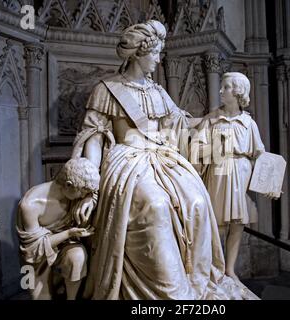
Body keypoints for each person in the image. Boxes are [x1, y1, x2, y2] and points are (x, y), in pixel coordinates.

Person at [72, 20, 258, 300]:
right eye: (155, 53)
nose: (158, 59)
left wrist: (219, 116)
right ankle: (167, 291)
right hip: (128, 160)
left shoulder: (158, 91)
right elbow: (94, 137)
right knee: (155, 206)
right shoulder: (107, 89)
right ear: (138, 54)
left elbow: (182, 125)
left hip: (164, 157)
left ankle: (195, 280)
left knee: (197, 201)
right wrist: (91, 187)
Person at [193, 72, 276, 284]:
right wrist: (212, 150)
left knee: (237, 223)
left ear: (238, 92)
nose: (221, 91)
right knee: (216, 224)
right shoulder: (211, 119)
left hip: (241, 174)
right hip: (219, 174)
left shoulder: (249, 123)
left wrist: (270, 185)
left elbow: (259, 155)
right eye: (222, 87)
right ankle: (213, 269)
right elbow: (196, 148)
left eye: (226, 87)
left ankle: (229, 270)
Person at [16, 158, 99, 299]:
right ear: (68, 185)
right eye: (82, 193)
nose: (83, 196)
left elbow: (94, 191)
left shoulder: (73, 193)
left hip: (65, 247)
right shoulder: (30, 205)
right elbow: (33, 249)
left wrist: (90, 198)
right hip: (37, 260)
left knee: (77, 256)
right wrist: (69, 233)